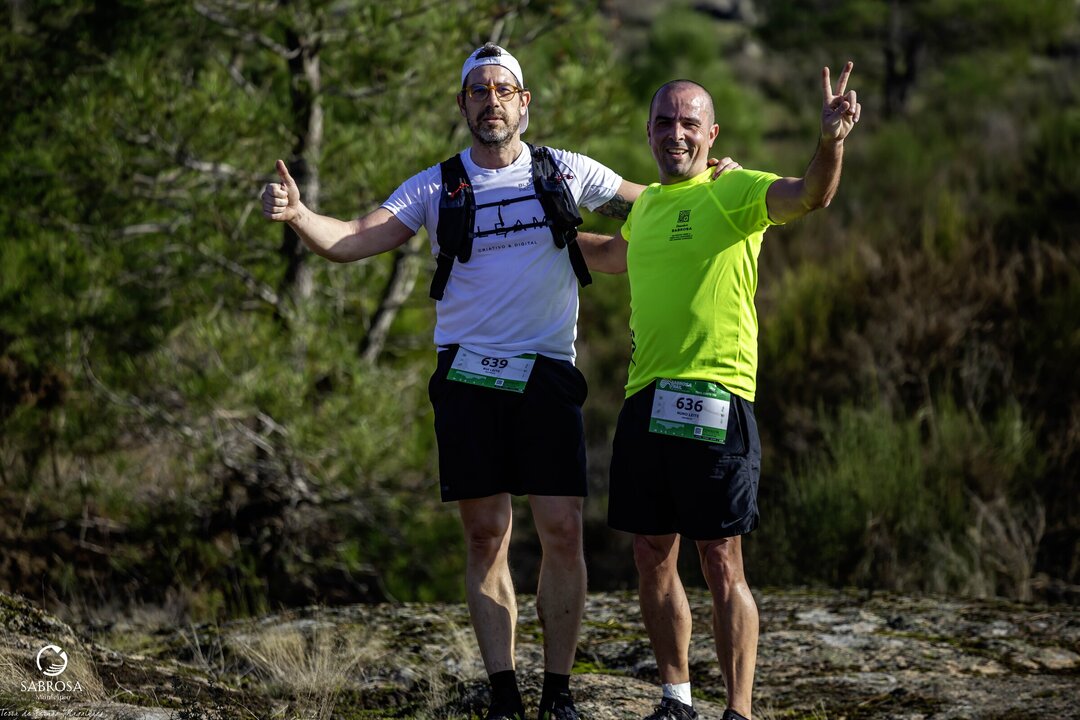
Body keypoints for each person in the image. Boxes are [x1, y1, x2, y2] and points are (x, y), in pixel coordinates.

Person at [261, 43, 740, 720]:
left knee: (562, 531)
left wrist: (720, 180)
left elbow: (661, 203)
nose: (492, 102)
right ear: (463, 104)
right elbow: (355, 237)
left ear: (524, 102)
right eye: (479, 91)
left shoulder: (565, 170)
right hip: (466, 375)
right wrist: (298, 214)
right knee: (486, 535)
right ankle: (505, 697)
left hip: (547, 373)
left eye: (503, 90)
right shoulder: (435, 186)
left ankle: (558, 694)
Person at [587, 64, 862, 720]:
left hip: (716, 394)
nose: (675, 133)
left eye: (689, 122)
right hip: (644, 398)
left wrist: (831, 141)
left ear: (712, 134)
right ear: (649, 133)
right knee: (651, 555)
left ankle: (738, 711)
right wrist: (539, 229)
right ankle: (676, 699)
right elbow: (612, 256)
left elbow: (811, 195)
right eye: (663, 122)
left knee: (720, 559)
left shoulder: (733, 189)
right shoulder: (647, 208)